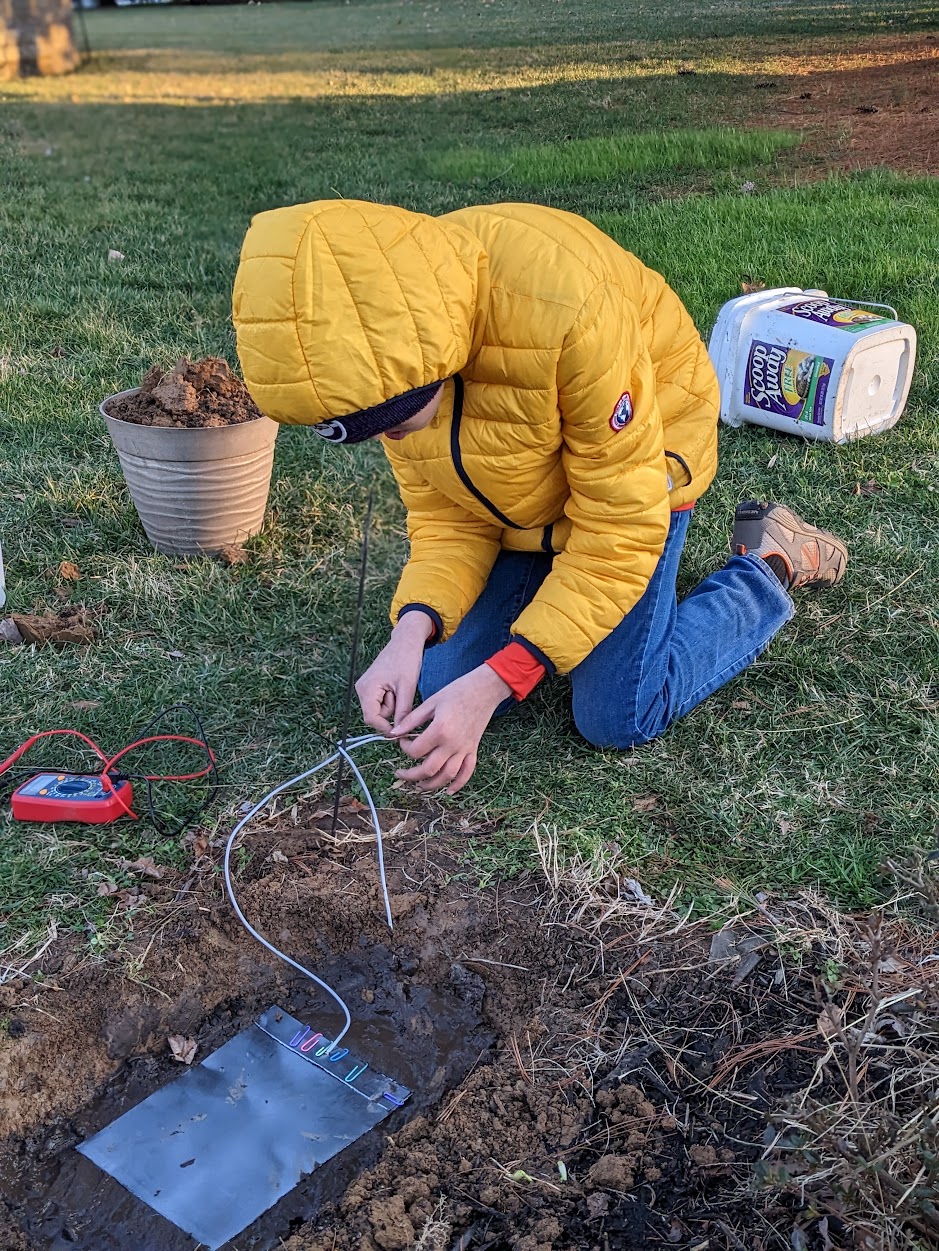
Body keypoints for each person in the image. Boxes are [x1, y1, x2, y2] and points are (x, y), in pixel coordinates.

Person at [233, 199, 847, 794]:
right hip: (528, 501)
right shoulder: (390, 352)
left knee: (617, 716)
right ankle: (544, 570)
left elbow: (618, 527)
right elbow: (449, 516)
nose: (385, 435)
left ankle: (762, 569)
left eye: (385, 418)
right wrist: (410, 632)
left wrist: (504, 677)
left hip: (641, 472)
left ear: (422, 359)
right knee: (443, 678)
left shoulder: (568, 308)